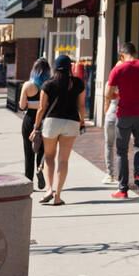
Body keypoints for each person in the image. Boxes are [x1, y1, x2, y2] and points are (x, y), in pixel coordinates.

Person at [104, 43, 139, 199]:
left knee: (121, 152)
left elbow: (108, 94)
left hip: (124, 114)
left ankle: (123, 189)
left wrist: (120, 96)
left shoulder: (117, 69)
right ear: (135, 53)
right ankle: (138, 175)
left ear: (122, 55)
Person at [32, 54, 86, 207]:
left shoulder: (48, 84)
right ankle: (58, 196)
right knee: (63, 160)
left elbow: (41, 109)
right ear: (70, 67)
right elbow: (82, 106)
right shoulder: (77, 83)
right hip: (72, 122)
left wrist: (36, 128)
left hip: (51, 122)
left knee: (49, 157)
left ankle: (49, 189)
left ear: (55, 67)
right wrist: (82, 122)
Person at [19, 57, 50, 189]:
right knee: (43, 148)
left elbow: (21, 105)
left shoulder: (28, 85)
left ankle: (28, 179)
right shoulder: (49, 85)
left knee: (28, 150)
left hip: (30, 117)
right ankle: (40, 169)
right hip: (44, 118)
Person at [103, 86, 118, 185]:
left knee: (109, 145)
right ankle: (123, 176)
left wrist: (106, 114)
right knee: (123, 149)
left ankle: (110, 174)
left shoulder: (110, 83)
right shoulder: (129, 79)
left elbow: (106, 101)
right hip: (125, 116)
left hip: (111, 115)